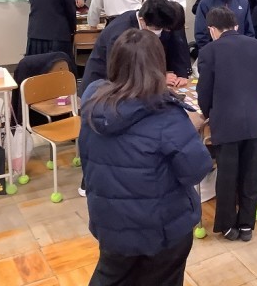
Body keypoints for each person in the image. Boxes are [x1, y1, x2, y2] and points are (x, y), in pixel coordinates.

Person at [80, 29, 212, 286]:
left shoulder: (92, 103)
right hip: (161, 228)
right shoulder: (167, 116)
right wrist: (190, 129)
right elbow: (197, 169)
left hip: (111, 223)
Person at [196, 7, 257, 241]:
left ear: (212, 30)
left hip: (226, 121)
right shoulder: (256, 45)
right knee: (251, 173)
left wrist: (209, 112)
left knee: (227, 175)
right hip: (254, 118)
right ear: (236, 25)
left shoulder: (209, 51)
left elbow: (204, 91)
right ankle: (247, 225)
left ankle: (227, 226)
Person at [80, 0, 188, 94]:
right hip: (102, 87)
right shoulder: (121, 33)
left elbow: (175, 44)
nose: (159, 32)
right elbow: (121, 73)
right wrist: (157, 78)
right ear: (142, 21)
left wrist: (180, 74)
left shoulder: (153, 20)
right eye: (156, 29)